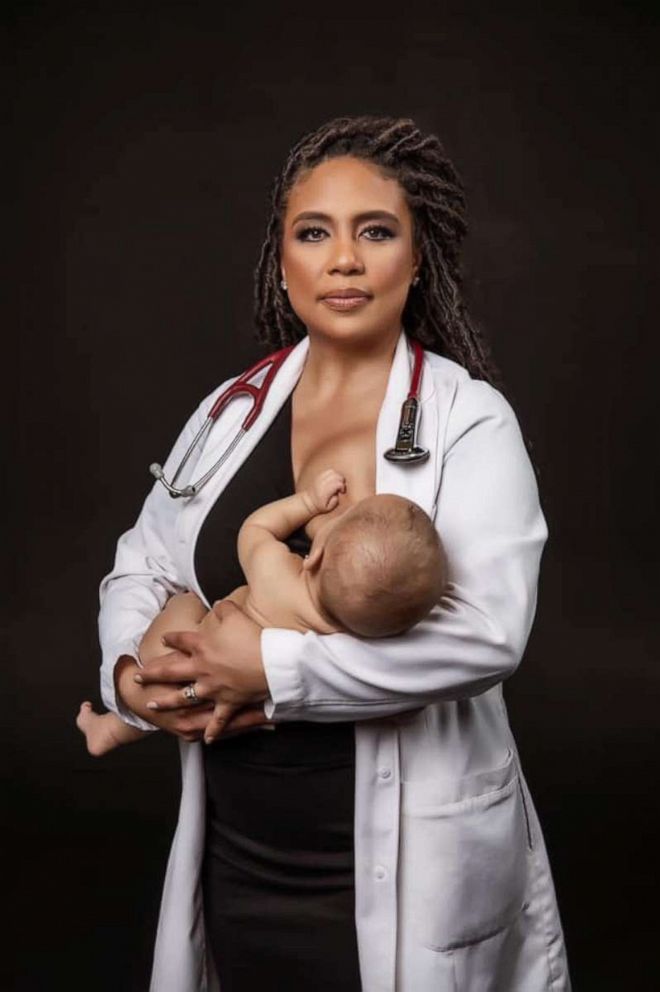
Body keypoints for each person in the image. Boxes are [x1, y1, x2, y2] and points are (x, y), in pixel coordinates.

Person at [97, 115, 572, 991]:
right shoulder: (231, 410)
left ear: (418, 256)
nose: (343, 260)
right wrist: (129, 677)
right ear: (282, 261)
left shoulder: (471, 420)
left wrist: (274, 672)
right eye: (314, 234)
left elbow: (489, 636)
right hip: (241, 853)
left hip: (409, 851)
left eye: (376, 232)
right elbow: (146, 558)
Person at [79, 469, 445, 756]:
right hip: (248, 710)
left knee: (187, 603)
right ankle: (112, 729)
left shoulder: (276, 573)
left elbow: (256, 528)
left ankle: (111, 729)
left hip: (181, 659)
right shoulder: (352, 639)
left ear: (315, 553)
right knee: (198, 707)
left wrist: (308, 502)